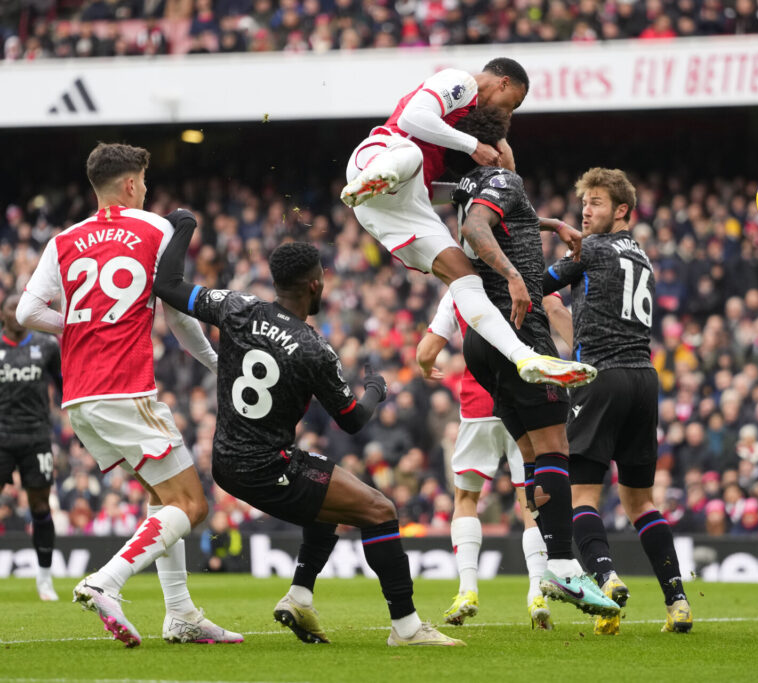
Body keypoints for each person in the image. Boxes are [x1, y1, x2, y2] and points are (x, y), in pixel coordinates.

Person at [154, 229, 463, 647]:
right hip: (266, 466)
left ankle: (299, 596)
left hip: (227, 459)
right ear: (315, 284)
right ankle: (406, 628)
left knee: (330, 498)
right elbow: (353, 420)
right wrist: (376, 389)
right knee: (380, 510)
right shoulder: (313, 348)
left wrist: (181, 225)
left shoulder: (237, 306)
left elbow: (168, 285)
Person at [16, 143, 241, 647]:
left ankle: (180, 613)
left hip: (79, 396)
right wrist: (217, 362)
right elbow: (179, 315)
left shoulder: (64, 239)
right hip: (125, 388)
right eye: (145, 181)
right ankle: (106, 581)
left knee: (161, 497)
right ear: (133, 185)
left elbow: (28, 312)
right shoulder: (156, 229)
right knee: (191, 504)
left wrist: (77, 328)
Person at [449, 107, 618, 617]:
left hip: (481, 340)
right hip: (516, 328)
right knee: (554, 449)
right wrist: (517, 279)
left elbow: (493, 229)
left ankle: (550, 572)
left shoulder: (468, 184)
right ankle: (564, 570)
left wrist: (553, 231)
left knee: (532, 457)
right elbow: (483, 230)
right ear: (499, 145)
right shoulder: (502, 177)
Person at [340, 57, 596, 390]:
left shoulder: (457, 131)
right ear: (503, 82)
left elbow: (434, 191)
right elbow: (412, 117)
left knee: (467, 279)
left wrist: (547, 222)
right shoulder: (461, 82)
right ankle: (373, 178)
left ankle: (525, 358)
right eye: (513, 103)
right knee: (410, 156)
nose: (510, 113)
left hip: (397, 204)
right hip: (377, 156)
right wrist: (473, 146)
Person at [542, 167, 692, 635]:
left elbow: (538, 284)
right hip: (645, 380)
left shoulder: (594, 249)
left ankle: (606, 579)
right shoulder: (642, 256)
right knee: (641, 502)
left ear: (622, 210)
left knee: (583, 495)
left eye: (597, 204)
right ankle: (678, 601)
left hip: (600, 378)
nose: (586, 211)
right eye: (584, 203)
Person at [416, 290, 552, 630]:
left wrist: (425, 365)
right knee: (529, 503)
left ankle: (467, 591)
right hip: (524, 399)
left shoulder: (458, 289)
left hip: (479, 403)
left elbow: (427, 350)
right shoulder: (520, 278)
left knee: (465, 497)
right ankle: (537, 594)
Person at [0, 293, 62, 601]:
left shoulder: (47, 346)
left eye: (20, 307)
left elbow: (64, 388)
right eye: (12, 308)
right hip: (1, 437)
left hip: (37, 437)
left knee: (40, 506)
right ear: (3, 315)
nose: (17, 313)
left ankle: (45, 578)